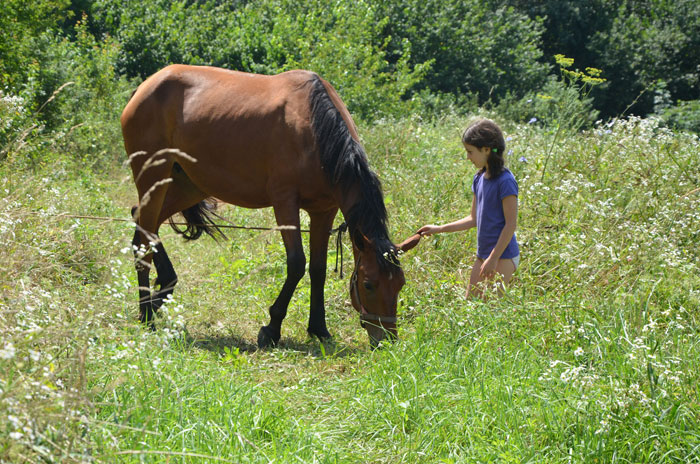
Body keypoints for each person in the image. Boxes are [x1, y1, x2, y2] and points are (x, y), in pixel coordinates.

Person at [418, 119, 519, 298]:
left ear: (486, 149)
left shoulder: (506, 181)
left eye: (470, 152)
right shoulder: (479, 178)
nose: (468, 157)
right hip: (483, 256)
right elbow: (473, 219)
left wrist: (494, 258)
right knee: (470, 305)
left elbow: (510, 225)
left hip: (502, 256)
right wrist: (439, 229)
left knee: (489, 309)